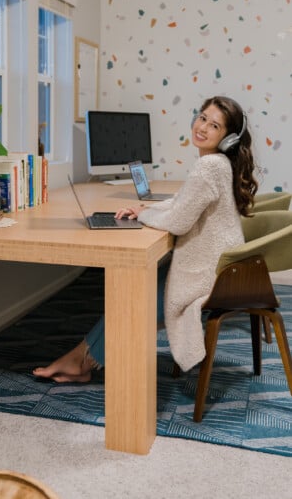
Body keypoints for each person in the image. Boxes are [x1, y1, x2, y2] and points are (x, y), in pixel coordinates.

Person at [33, 95, 258, 382]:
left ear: (227, 138)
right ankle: (82, 358)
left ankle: (82, 361)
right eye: (202, 117)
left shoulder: (210, 166)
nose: (202, 127)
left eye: (214, 125)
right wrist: (146, 209)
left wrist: (142, 216)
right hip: (221, 268)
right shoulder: (218, 163)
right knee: (136, 287)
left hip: (210, 275)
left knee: (133, 295)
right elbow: (182, 202)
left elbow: (178, 220)